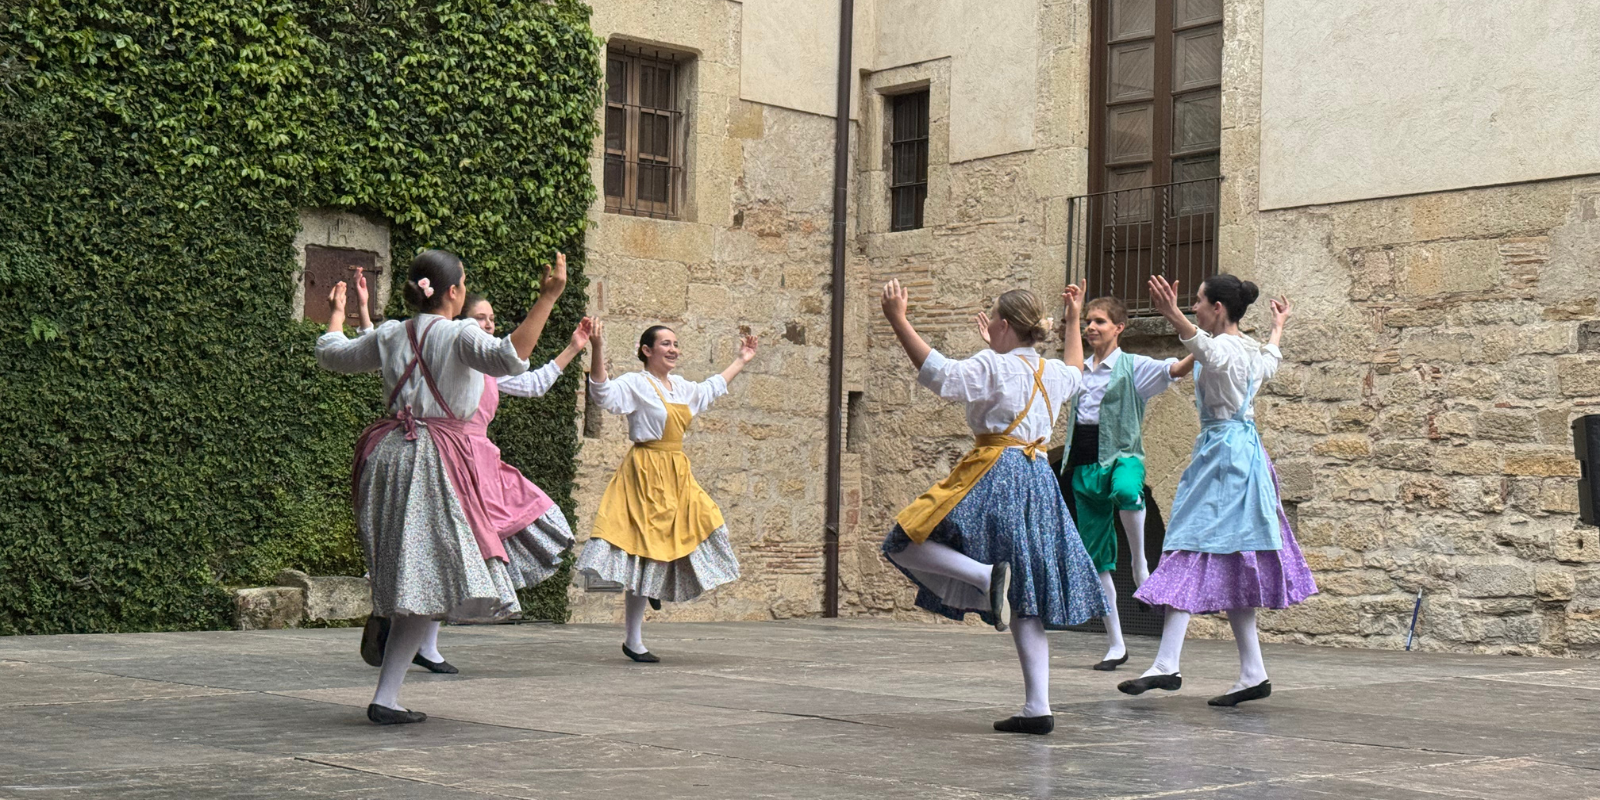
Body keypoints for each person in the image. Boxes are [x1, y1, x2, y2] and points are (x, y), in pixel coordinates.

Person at [316, 249, 568, 724]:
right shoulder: (460, 334)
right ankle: (389, 663)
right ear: (454, 292)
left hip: (387, 455)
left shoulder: (392, 332)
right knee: (431, 570)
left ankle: (388, 680)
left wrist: (335, 313)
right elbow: (512, 358)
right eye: (465, 284)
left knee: (418, 569)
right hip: (438, 459)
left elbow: (332, 355)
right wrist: (548, 297)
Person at [879, 279, 1108, 735]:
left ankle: (986, 577)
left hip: (993, 467)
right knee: (1026, 600)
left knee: (903, 540)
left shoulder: (991, 366)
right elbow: (1076, 367)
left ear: (1002, 325)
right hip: (1038, 480)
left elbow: (941, 376)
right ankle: (1038, 706)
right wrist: (1071, 322)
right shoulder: (1051, 374)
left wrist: (898, 320)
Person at [363, 296, 594, 676]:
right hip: (449, 458)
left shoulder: (490, 366)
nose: (488, 324)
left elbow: (534, 383)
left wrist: (572, 348)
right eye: (479, 318)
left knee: (458, 549)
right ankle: (407, 628)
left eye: (491, 318)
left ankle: (423, 641)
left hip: (480, 462)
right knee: (447, 548)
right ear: (459, 322)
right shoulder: (453, 352)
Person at [1117, 273, 1318, 707]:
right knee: (1230, 558)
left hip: (1224, 458)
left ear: (1218, 309)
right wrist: (1279, 326)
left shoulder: (1225, 348)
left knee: (1190, 545)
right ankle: (1252, 672)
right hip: (1243, 456)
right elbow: (1271, 357)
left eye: (1197, 302)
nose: (1194, 308)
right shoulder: (1250, 349)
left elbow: (1207, 349)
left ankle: (1168, 663)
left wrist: (1171, 314)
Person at [575, 320, 755, 662]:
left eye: (676, 343)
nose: (674, 349)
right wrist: (597, 348)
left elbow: (711, 388)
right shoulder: (635, 383)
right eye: (666, 344)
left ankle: (657, 587)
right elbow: (602, 395)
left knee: (709, 521)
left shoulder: (681, 388)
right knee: (645, 553)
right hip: (645, 471)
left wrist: (741, 359)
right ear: (647, 350)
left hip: (676, 471)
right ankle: (634, 639)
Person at [1051, 297, 1193, 670]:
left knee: (1128, 491)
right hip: (1083, 465)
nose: (1091, 327)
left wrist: (1204, 347)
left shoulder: (1134, 367)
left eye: (1099, 321)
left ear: (1119, 328)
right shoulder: (1075, 370)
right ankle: (1116, 644)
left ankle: (1141, 564)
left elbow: (1175, 369)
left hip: (1122, 456)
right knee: (1098, 560)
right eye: (1088, 322)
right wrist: (1071, 317)